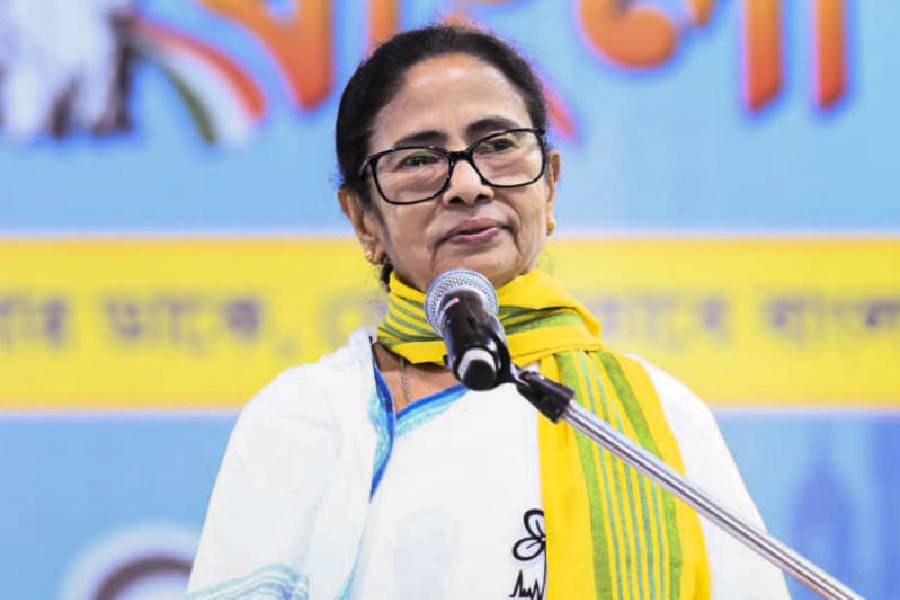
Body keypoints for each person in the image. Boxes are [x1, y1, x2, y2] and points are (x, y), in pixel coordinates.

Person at [186, 25, 790, 600]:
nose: (468, 184)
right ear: (364, 219)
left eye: (499, 145)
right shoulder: (304, 418)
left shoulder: (653, 420)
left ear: (549, 184)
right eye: (419, 159)